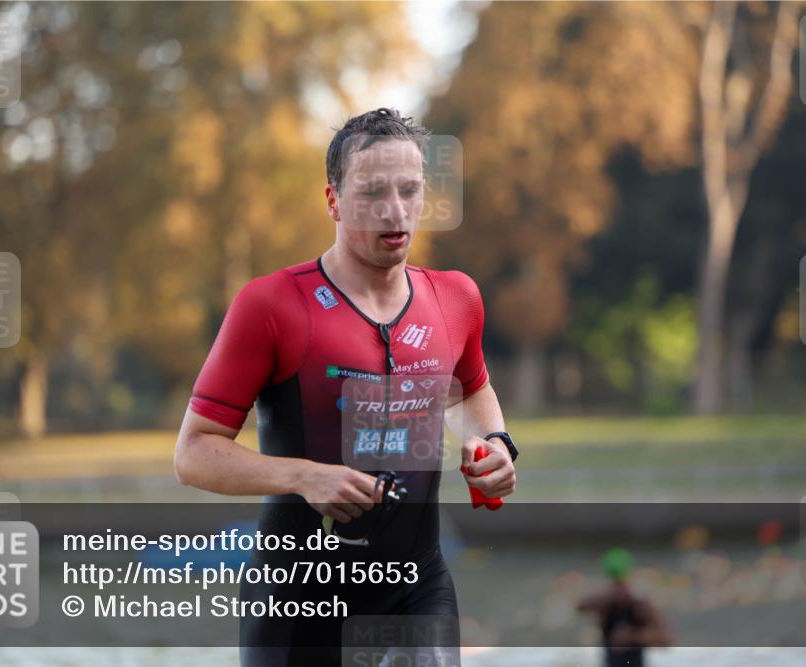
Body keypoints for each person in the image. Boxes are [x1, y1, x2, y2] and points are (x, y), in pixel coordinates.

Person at [174, 107, 518, 666]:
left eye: (410, 191)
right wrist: (303, 476)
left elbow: (467, 391)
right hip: (297, 600)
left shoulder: (456, 299)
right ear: (333, 200)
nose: (395, 210)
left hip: (415, 590)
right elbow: (192, 455)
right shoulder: (272, 305)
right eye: (372, 192)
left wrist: (495, 444)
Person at [577, 548, 672, 667]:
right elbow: (580, 606)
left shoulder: (640, 606)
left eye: (621, 584)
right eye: (615, 583)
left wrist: (632, 636)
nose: (618, 589)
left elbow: (665, 640)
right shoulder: (603, 603)